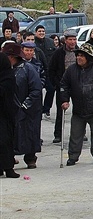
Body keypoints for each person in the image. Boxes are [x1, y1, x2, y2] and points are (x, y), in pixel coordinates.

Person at [59, 42, 93, 166]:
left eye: (81, 56)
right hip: (78, 110)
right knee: (75, 135)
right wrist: (64, 99)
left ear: (88, 57)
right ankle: (73, 156)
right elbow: (64, 85)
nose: (78, 58)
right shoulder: (71, 70)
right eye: (77, 55)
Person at [2, 42, 42, 170]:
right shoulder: (5, 70)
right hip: (9, 109)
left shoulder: (28, 69)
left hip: (27, 110)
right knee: (9, 136)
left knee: (29, 134)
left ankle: (30, 158)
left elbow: (36, 90)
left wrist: (25, 105)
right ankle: (9, 159)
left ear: (12, 57)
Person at [48, 30, 78, 144]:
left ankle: (80, 133)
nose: (72, 42)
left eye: (74, 39)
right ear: (65, 40)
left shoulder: (79, 51)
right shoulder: (58, 53)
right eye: (70, 39)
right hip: (63, 85)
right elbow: (51, 70)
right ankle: (58, 134)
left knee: (79, 110)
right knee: (61, 111)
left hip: (77, 85)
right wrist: (57, 83)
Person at [0, 52, 20, 178]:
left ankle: (8, 168)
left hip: (5, 114)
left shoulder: (8, 76)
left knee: (5, 141)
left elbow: (4, 93)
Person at [33, 24, 57, 118]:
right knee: (37, 91)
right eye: (39, 31)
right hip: (36, 72)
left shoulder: (50, 42)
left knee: (51, 89)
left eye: (43, 31)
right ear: (36, 33)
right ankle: (37, 109)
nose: (41, 33)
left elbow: (54, 55)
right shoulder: (32, 42)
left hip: (48, 71)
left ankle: (46, 109)